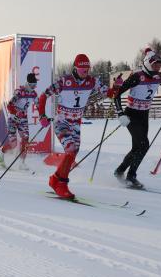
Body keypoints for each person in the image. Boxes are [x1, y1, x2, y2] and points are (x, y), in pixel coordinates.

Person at [38, 54, 120, 199]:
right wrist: (42, 116)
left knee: (73, 154)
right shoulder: (65, 81)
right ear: (76, 67)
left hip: (76, 123)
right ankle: (61, 184)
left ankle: (55, 179)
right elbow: (43, 96)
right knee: (70, 150)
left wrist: (117, 86)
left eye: (87, 68)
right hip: (62, 121)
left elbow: (110, 94)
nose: (85, 71)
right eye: (82, 68)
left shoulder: (92, 81)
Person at [113, 48, 161, 188]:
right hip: (131, 115)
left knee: (137, 147)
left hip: (144, 115)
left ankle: (119, 171)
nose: (158, 66)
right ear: (148, 63)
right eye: (155, 64)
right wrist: (120, 113)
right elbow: (116, 94)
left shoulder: (159, 77)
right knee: (144, 145)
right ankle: (131, 176)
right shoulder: (137, 76)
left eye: (159, 64)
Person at [0, 72, 39, 169]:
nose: (33, 87)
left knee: (26, 139)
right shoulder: (19, 92)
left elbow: (38, 105)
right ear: (27, 83)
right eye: (32, 85)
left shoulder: (33, 94)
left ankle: (22, 163)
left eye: (35, 85)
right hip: (13, 118)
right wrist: (16, 113)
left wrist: (43, 116)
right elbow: (9, 105)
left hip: (23, 119)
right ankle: (1, 154)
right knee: (13, 144)